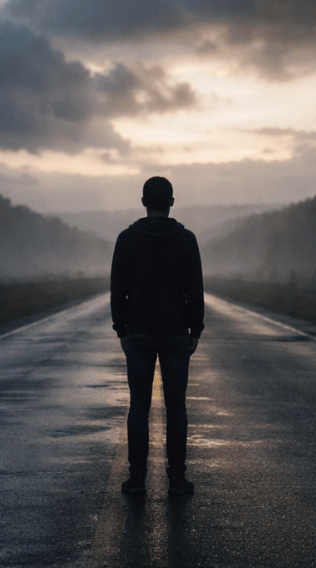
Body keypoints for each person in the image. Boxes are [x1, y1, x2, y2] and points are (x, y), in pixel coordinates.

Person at [110, 176, 204, 496]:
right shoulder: (186, 239)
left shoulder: (126, 239)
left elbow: (117, 290)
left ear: (143, 202)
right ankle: (176, 478)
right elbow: (195, 290)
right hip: (176, 334)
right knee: (176, 407)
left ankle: (137, 479)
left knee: (139, 407)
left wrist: (121, 329)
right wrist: (196, 329)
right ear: (172, 203)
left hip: (137, 333)